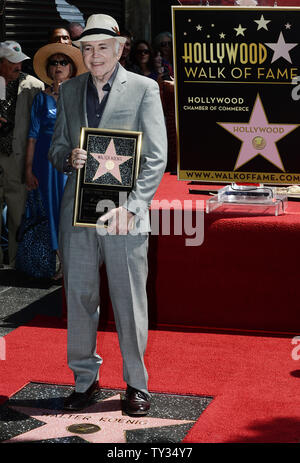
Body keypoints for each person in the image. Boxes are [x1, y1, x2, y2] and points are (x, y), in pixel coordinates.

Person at [48, 14, 167, 415]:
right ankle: (85, 380)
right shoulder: (69, 91)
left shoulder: (145, 89)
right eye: (87, 48)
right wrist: (69, 157)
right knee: (80, 297)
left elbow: (156, 157)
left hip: (124, 214)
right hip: (77, 212)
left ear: (119, 48)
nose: (94, 55)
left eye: (102, 47)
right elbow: (56, 148)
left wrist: (134, 208)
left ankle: (137, 384)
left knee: (129, 298)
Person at [24, 43, 86, 279]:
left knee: (70, 210)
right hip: (44, 163)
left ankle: (75, 259)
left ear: (71, 68)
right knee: (51, 210)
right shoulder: (40, 98)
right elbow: (32, 136)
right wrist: (28, 170)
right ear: (48, 69)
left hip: (72, 163)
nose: (58, 66)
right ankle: (60, 261)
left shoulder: (80, 95)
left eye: (63, 62)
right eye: (54, 62)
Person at [0, 41, 44, 268]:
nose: (19, 67)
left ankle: (18, 263)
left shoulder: (33, 86)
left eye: (20, 62)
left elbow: (41, 127)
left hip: (17, 160)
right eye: (12, 62)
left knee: (18, 214)